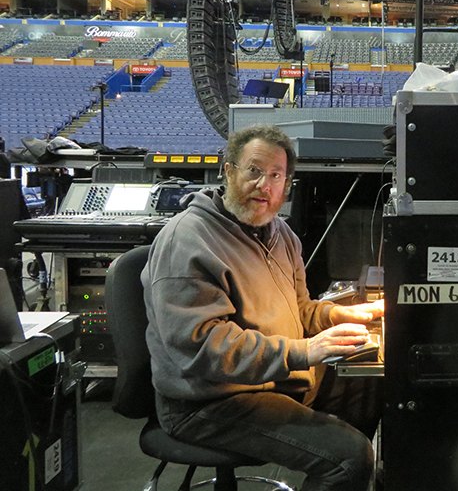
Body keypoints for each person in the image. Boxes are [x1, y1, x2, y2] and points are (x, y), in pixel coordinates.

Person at [142, 124, 384, 491]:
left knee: (377, 390)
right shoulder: (187, 240)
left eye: (276, 176)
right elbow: (205, 348)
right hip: (209, 402)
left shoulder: (280, 233)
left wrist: (337, 315)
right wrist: (304, 351)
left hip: (275, 377)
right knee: (348, 458)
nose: (264, 185)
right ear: (228, 171)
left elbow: (300, 309)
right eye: (254, 171)